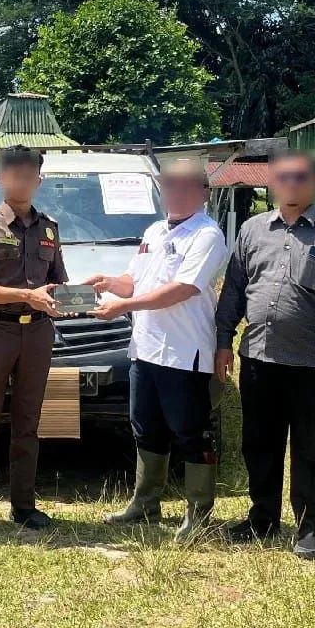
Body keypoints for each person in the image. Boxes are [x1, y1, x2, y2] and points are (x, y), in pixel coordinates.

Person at [214, 151, 315, 559]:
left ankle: (310, 528)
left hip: (313, 365)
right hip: (259, 360)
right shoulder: (252, 231)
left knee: (310, 450)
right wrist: (223, 341)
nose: (292, 184)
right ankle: (262, 519)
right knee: (258, 445)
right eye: (283, 177)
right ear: (272, 184)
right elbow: (234, 290)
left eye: (300, 177)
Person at [86, 159, 228, 542]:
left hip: (184, 353)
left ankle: (199, 513)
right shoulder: (154, 230)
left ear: (204, 192)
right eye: (169, 184)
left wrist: (123, 306)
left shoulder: (207, 235)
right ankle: (145, 502)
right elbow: (135, 280)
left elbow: (183, 288)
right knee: (145, 428)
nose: (176, 192)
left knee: (190, 432)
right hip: (145, 349)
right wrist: (109, 283)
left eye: (186, 185)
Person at [0, 145, 67, 542]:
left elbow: (57, 282)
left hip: (37, 333)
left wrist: (72, 298)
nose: (20, 182)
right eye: (13, 175)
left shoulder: (49, 228)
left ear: (39, 180)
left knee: (29, 423)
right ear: (1, 179)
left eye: (28, 176)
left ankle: (23, 504)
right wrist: (26, 295)